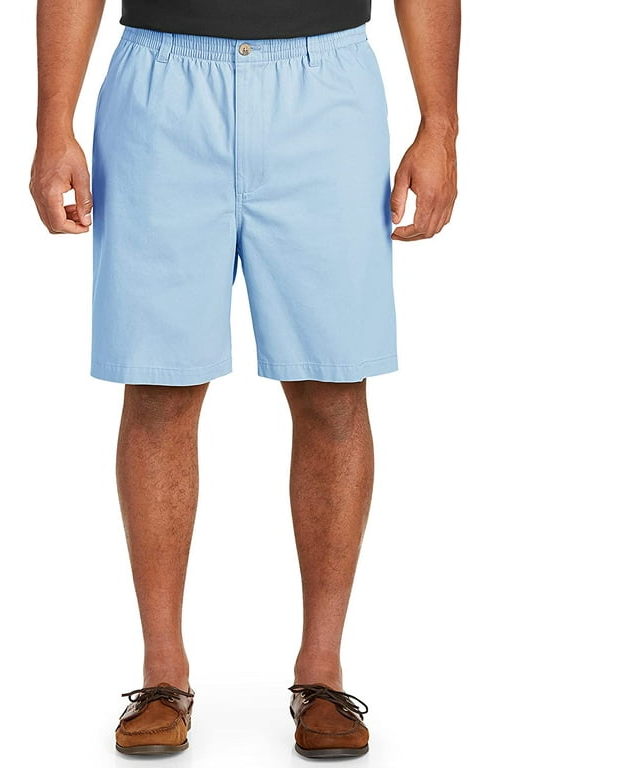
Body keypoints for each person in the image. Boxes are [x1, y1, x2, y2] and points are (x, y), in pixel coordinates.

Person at [29, 0, 459, 758]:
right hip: (162, 81)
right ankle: (162, 675)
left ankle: (321, 673)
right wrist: (52, 122)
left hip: (325, 82)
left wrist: (441, 124)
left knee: (333, 385)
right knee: (158, 386)